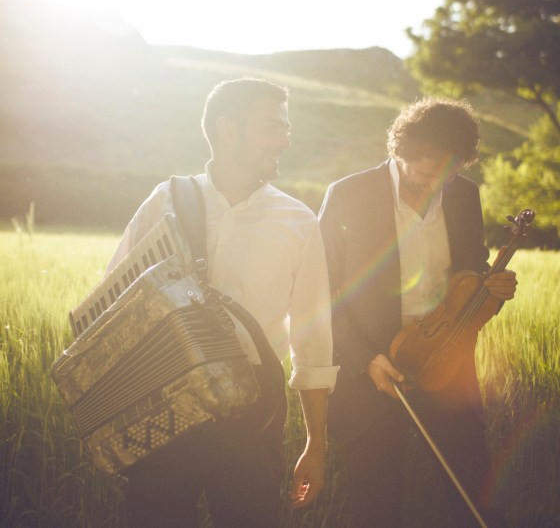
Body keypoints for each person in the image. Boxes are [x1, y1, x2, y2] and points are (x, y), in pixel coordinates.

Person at [106, 77, 338, 528]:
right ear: (228, 130)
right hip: (162, 402)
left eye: (286, 128)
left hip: (253, 408)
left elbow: (313, 342)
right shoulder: (165, 201)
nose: (286, 141)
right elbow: (116, 307)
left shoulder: (298, 221)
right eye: (273, 127)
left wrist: (316, 443)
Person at [318, 97, 517, 527]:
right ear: (399, 151)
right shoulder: (348, 194)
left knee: (474, 489)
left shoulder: (464, 195)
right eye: (426, 174)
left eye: (448, 175)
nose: (435, 186)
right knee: (377, 504)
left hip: (448, 362)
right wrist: (365, 359)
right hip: (373, 369)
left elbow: (471, 273)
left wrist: (495, 290)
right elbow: (320, 292)